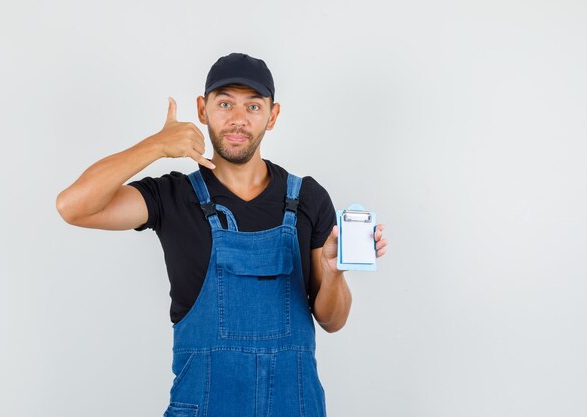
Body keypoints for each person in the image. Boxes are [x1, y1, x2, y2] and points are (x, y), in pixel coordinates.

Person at [56, 52, 388, 417]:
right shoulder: (173, 197)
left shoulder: (308, 198)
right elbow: (74, 206)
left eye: (253, 107)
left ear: (272, 116)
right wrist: (156, 146)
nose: (238, 120)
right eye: (225, 103)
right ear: (203, 110)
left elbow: (333, 320)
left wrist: (334, 272)